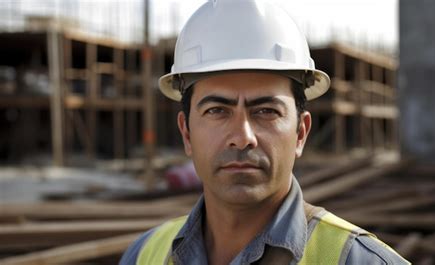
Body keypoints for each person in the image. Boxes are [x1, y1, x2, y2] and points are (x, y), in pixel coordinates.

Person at [120, 0, 409, 264]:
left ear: (300, 133)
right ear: (186, 134)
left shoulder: (361, 261)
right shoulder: (143, 255)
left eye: (266, 111)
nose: (242, 136)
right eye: (217, 111)